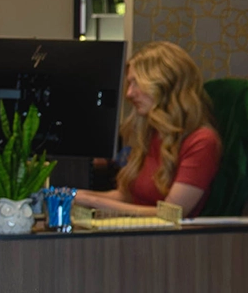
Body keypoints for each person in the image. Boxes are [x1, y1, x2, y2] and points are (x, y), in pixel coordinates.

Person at [73, 41, 222, 219]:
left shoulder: (202, 141)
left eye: (136, 83)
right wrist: (74, 196)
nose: (129, 93)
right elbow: (127, 197)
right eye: (129, 84)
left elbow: (171, 214)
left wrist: (93, 202)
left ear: (164, 85)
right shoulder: (151, 134)